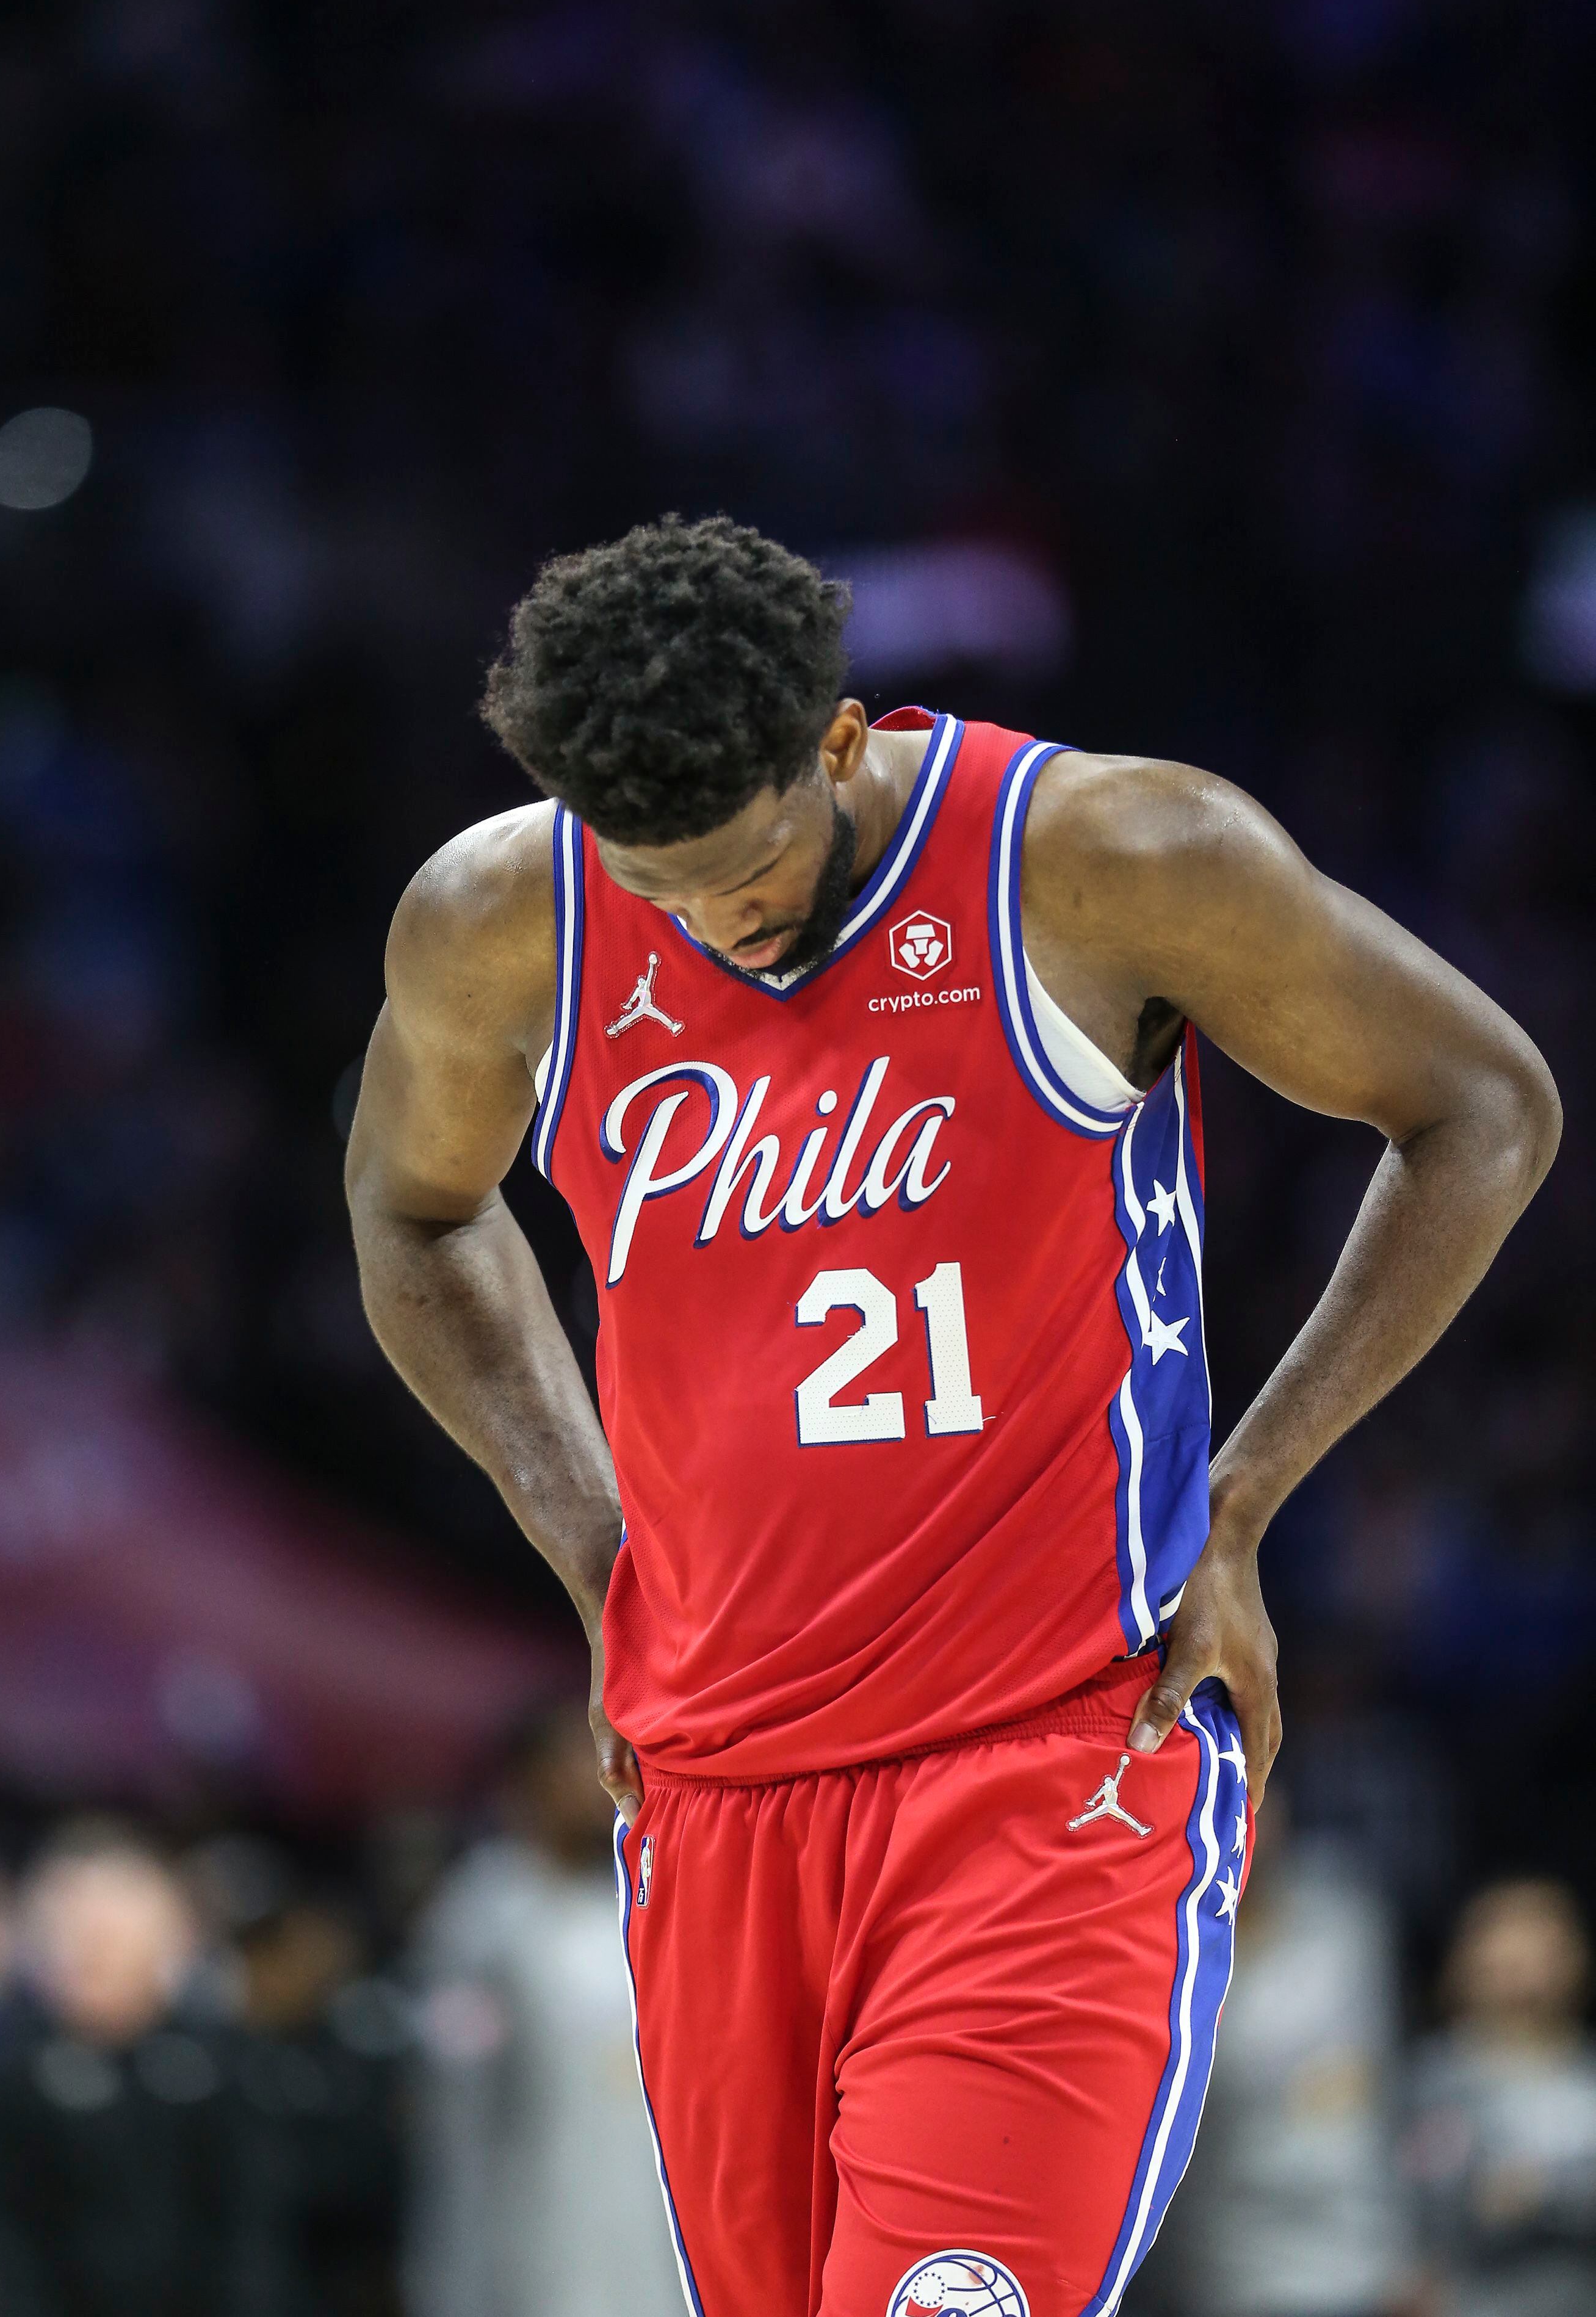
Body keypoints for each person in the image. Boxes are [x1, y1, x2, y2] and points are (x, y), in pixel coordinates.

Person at [344, 515, 1558, 2317]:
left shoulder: (1107, 852)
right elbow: (414, 1213)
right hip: (716, 1788)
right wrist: (591, 1547)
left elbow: (1479, 1105)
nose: (713, 925)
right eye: (659, 886)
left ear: (836, 740)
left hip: (1052, 1760)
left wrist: (1241, 1500)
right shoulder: (498, 915)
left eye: (744, 869)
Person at [402, 1700, 681, 2317]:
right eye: (576, 1760)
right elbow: (457, 2126)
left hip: (651, 2254)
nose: (604, 1777)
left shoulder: (647, 1900)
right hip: (532, 2258)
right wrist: (457, 2286)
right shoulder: (480, 1921)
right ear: (525, 1784)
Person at [0, 1821, 281, 2317]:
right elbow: (10, 2241)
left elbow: (251, 2229)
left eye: (110, 1935)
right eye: (73, 1933)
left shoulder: (217, 2062)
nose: (90, 1952)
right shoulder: (10, 2075)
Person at [1147, 1791, 1415, 2317]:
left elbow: (1373, 2079)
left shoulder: (1344, 1916)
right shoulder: (1168, 1945)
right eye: (1220, 1800)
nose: (1248, 1821)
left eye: (1256, 1801)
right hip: (1229, 2258)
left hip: (1365, 2247)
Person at [1405, 1880, 1596, 2317]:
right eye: (1504, 1965)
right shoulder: (1436, 2081)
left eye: (1536, 1963)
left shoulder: (1587, 2079)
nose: (1521, 1984)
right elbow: (1438, 2205)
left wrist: (1542, 2192)